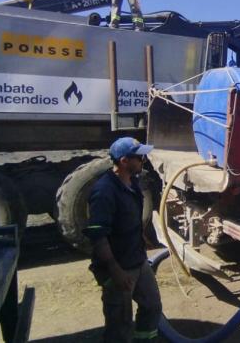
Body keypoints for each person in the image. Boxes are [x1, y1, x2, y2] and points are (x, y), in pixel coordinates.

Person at [84, 137, 160, 342]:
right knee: (120, 323)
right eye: (139, 157)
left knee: (152, 306)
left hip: (137, 259)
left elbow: (130, 218)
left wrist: (141, 237)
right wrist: (115, 270)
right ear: (125, 161)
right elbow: (98, 235)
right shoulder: (104, 192)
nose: (143, 160)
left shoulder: (132, 182)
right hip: (118, 267)